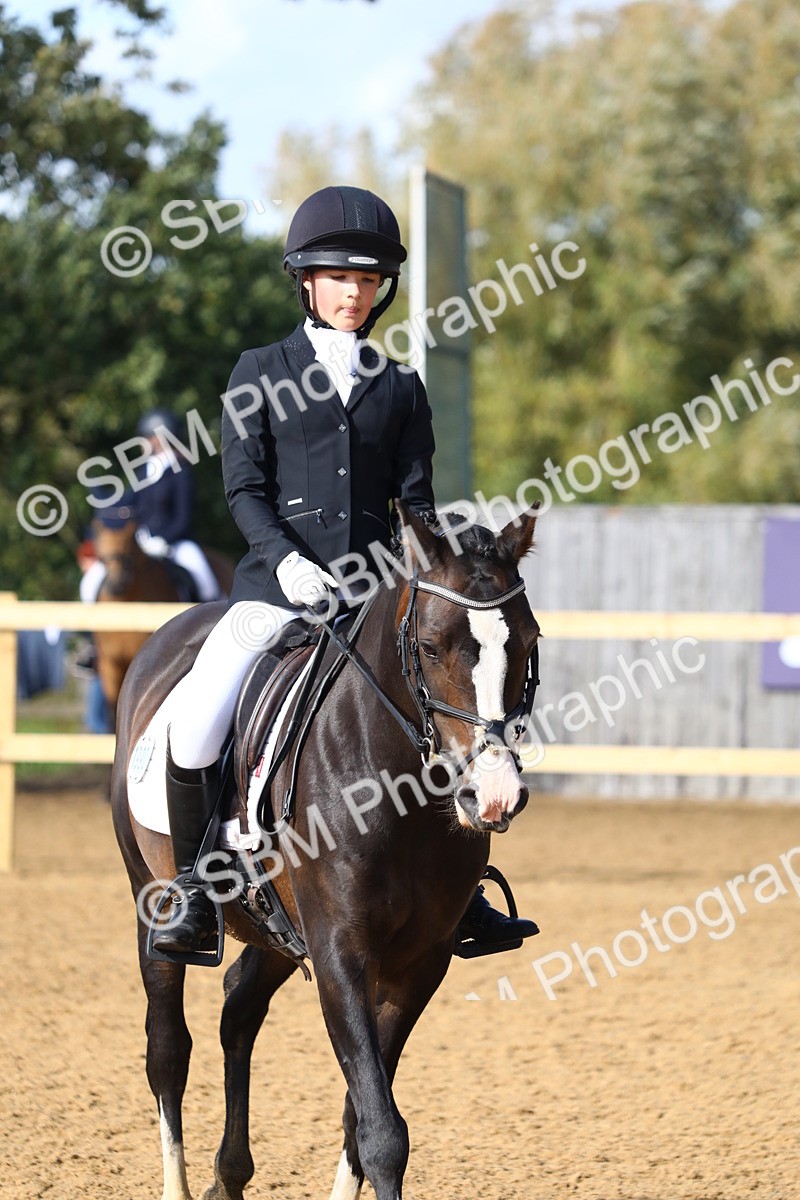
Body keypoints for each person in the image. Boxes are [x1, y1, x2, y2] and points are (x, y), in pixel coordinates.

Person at [151, 185, 538, 958]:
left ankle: (454, 896)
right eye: (339, 278)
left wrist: (430, 562)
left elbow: (416, 503)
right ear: (306, 281)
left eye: (367, 281)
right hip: (277, 593)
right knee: (197, 720)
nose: (354, 293)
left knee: (441, 712)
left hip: (373, 600)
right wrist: (288, 564)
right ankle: (194, 891)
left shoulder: (400, 387)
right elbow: (243, 489)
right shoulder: (259, 370)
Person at [79, 410, 221, 604]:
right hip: (141, 541)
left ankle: (212, 611)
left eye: (152, 436)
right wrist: (104, 500)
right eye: (148, 436)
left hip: (175, 543)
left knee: (204, 578)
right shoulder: (144, 470)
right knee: (92, 580)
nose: (148, 441)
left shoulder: (182, 472)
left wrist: (163, 540)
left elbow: (184, 519)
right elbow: (128, 505)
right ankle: (89, 629)